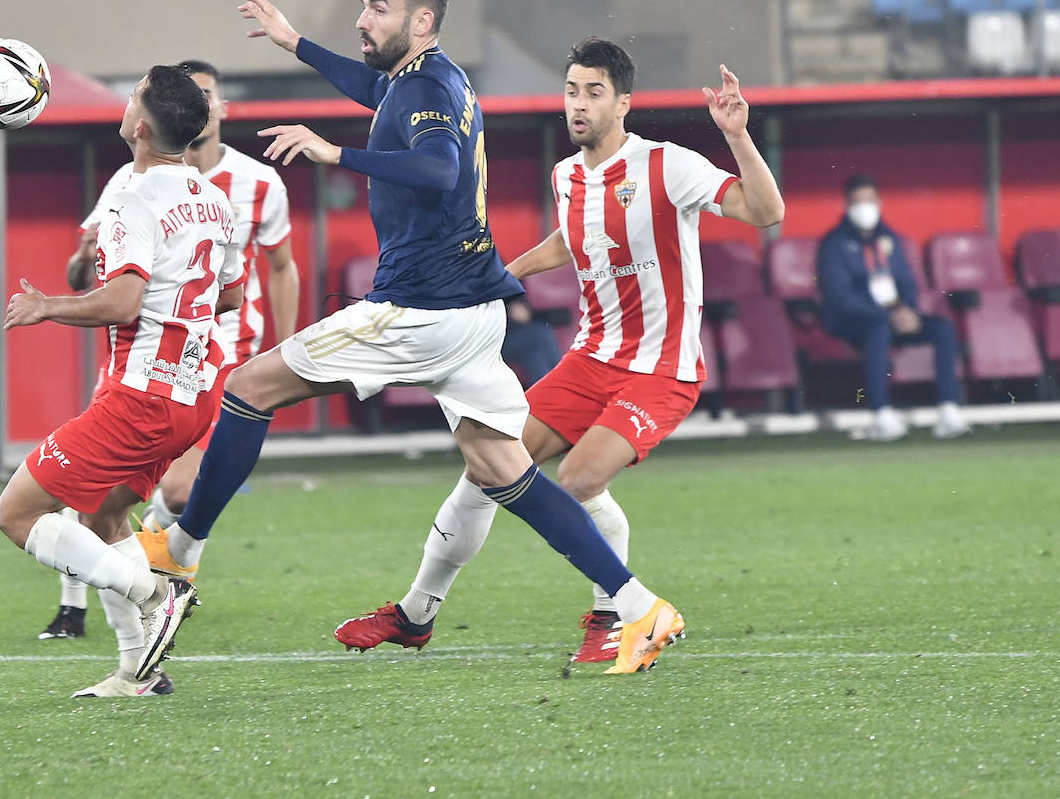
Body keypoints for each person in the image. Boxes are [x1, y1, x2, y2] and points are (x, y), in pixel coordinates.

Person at [138, 0, 685, 674]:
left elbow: (438, 169)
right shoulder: (432, 77)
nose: (364, 19)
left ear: (422, 21)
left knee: (248, 386)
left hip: (417, 309)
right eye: (364, 6)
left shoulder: (424, 85)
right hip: (474, 310)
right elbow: (374, 90)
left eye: (379, 8)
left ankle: (178, 555)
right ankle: (639, 604)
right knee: (504, 472)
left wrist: (334, 150)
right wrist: (293, 42)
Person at [332, 37, 786, 664]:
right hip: (587, 362)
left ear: (623, 102)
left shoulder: (666, 165)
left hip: (659, 370)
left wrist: (737, 135)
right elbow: (572, 238)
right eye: (571, 90)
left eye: (593, 93)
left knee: (577, 478)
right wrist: (495, 281)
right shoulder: (567, 174)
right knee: (486, 469)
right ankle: (416, 614)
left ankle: (613, 617)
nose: (578, 104)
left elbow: (766, 211)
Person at [0, 64, 245, 699]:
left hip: (141, 397)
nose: (127, 100)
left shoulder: (131, 198)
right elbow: (230, 294)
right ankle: (138, 672)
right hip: (192, 393)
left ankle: (159, 591)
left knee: (17, 512)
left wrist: (48, 305)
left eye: (132, 93)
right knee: (105, 514)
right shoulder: (213, 197)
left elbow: (124, 302)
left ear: (138, 124)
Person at [39, 59, 300, 645]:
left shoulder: (257, 184)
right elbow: (95, 272)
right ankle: (102, 623)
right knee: (105, 505)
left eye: (208, 94)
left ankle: (158, 588)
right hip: (148, 363)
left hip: (206, 363)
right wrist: (83, 263)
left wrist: (281, 354)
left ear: (219, 111)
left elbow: (279, 268)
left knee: (40, 506)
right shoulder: (139, 187)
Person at [817, 174, 968, 442]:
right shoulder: (833, 244)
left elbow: (906, 282)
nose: (865, 208)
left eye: (869, 201)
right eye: (857, 202)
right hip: (851, 321)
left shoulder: (890, 239)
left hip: (893, 315)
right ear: (847, 205)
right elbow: (840, 297)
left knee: (942, 328)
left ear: (879, 202)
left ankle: (948, 409)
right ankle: (881, 415)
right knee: (878, 327)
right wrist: (887, 315)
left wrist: (906, 309)